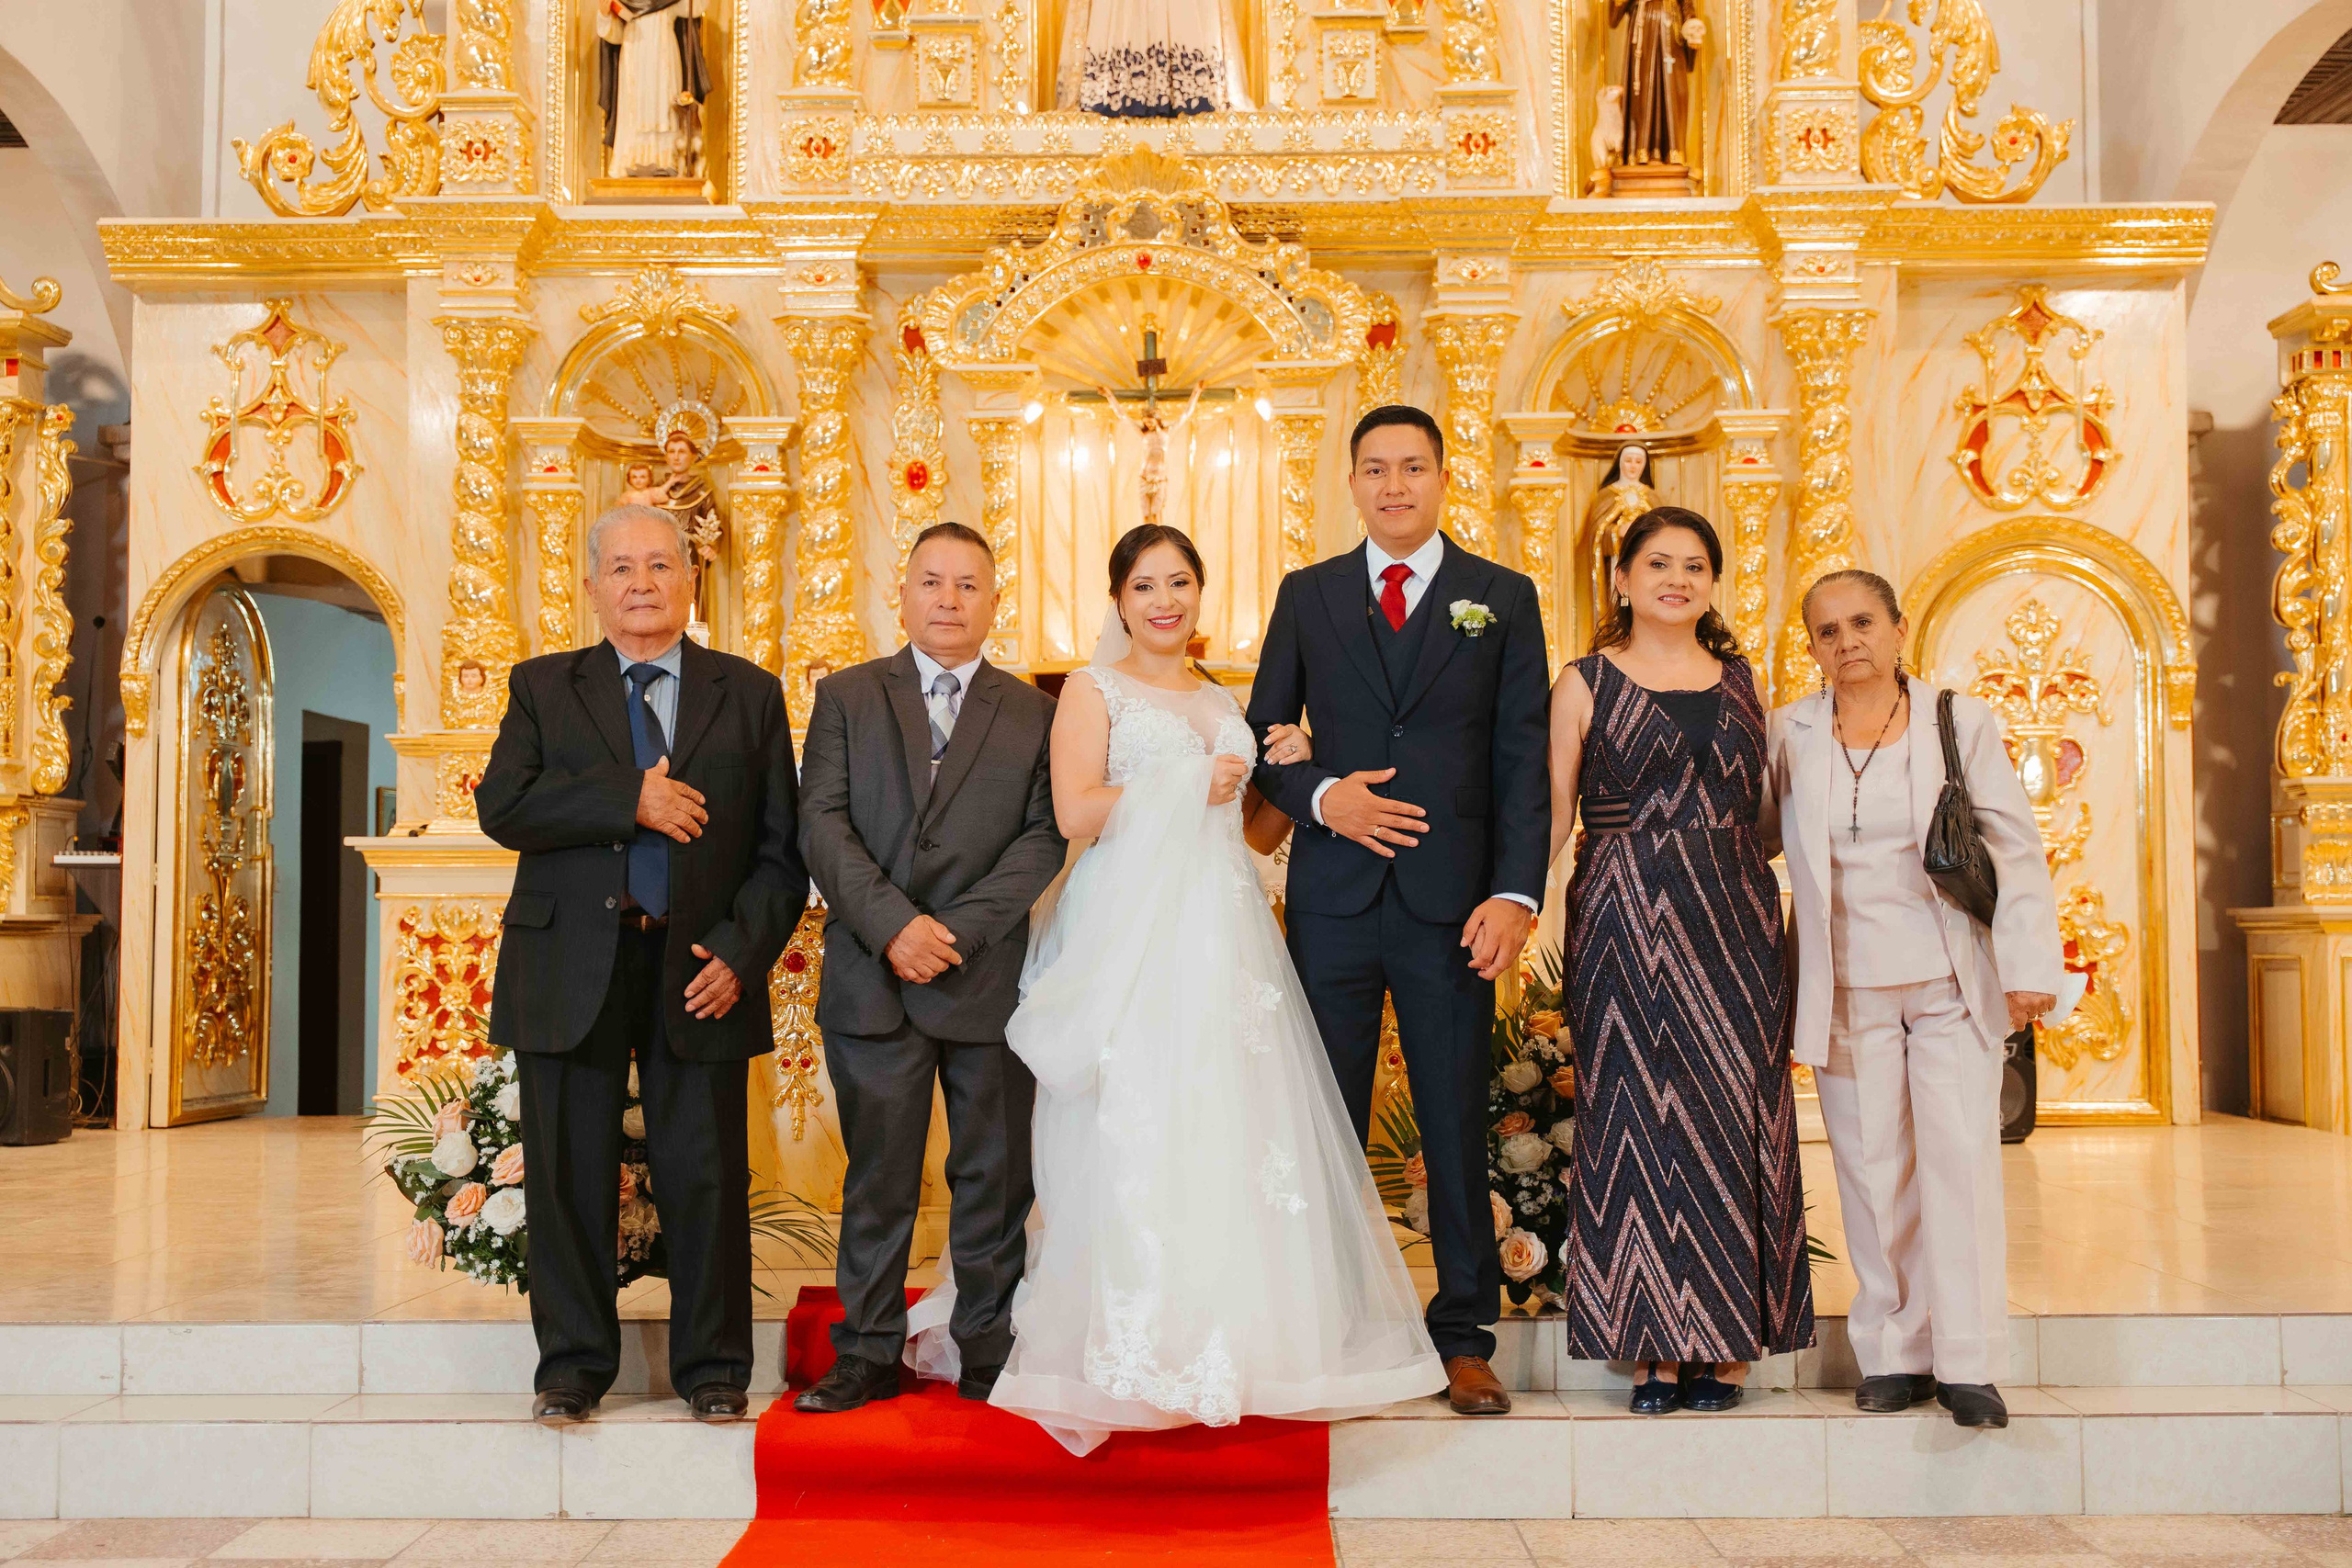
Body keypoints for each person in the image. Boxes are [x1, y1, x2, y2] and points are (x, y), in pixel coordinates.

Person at [913, 523, 1443, 1455]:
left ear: (1200, 595)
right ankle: (1131, 1340)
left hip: (1225, 930)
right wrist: (1192, 780)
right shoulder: (1091, 689)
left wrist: (1287, 775)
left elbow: (1246, 834)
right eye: (1146, 585)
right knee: (1136, 1120)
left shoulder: (1219, 695)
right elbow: (1078, 810)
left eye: (1181, 583)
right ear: (1118, 600)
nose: (1164, 600)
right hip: (1133, 931)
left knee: (1231, 1125)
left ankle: (1243, 1334)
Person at [1248, 404, 1552, 1416]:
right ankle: (1325, 1320)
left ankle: (1463, 1335)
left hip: (1451, 904)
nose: (1393, 486)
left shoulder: (1499, 598)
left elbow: (1521, 756)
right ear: (1350, 482)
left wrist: (1514, 893)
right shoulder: (1309, 595)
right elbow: (1260, 734)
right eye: (1374, 469)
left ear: (1440, 477)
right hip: (1332, 897)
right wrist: (1321, 796)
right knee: (1318, 1117)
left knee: (1456, 1117)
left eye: (1412, 467)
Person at [476, 503, 806, 1427]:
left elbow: (781, 854)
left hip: (697, 965)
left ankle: (713, 1369)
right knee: (566, 1171)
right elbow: (506, 806)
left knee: (704, 1173)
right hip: (568, 964)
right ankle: (573, 1368)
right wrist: (633, 799)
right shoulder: (544, 687)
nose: (641, 583)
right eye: (621, 567)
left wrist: (742, 955)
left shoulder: (748, 693)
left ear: (690, 580)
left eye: (659, 565)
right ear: (593, 587)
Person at [1764, 570, 2062, 1431]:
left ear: (1897, 628)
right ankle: (1894, 1352)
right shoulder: (1792, 729)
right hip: (1845, 981)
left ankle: (1967, 1359)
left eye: (1862, 622)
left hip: (1947, 979)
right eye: (1827, 630)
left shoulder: (1955, 719)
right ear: (1812, 646)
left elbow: (2015, 846)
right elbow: (1754, 836)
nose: (1846, 640)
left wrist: (2025, 963)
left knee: (1958, 1163)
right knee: (1870, 1170)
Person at [792, 522, 1067, 1415]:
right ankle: (868, 1350)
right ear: (900, 594)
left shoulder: (1031, 712)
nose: (949, 600)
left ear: (994, 600)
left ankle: (987, 1344)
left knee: (992, 1175)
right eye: (932, 583)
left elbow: (1042, 837)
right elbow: (821, 824)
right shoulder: (846, 697)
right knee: (877, 1176)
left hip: (984, 980)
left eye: (968, 585)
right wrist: (894, 927)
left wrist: (954, 932)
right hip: (874, 978)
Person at [1547, 505, 1813, 1415]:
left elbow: (1776, 811)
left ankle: (1727, 1339)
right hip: (1621, 908)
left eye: (1694, 565)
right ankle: (1648, 1343)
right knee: (1632, 1112)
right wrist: (1508, 904)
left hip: (1732, 914)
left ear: (1711, 582)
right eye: (1656, 563)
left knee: (1728, 1112)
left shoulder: (1743, 680)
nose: (1676, 578)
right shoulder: (1581, 681)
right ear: (1620, 578)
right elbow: (1551, 818)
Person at [597, 0, 711, 180]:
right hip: (634, 56)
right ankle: (631, 162)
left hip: (664, 57)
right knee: (634, 112)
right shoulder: (626, 2)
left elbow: (697, 7)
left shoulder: (670, 2)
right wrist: (604, 14)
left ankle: (667, 162)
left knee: (665, 108)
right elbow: (615, 36)